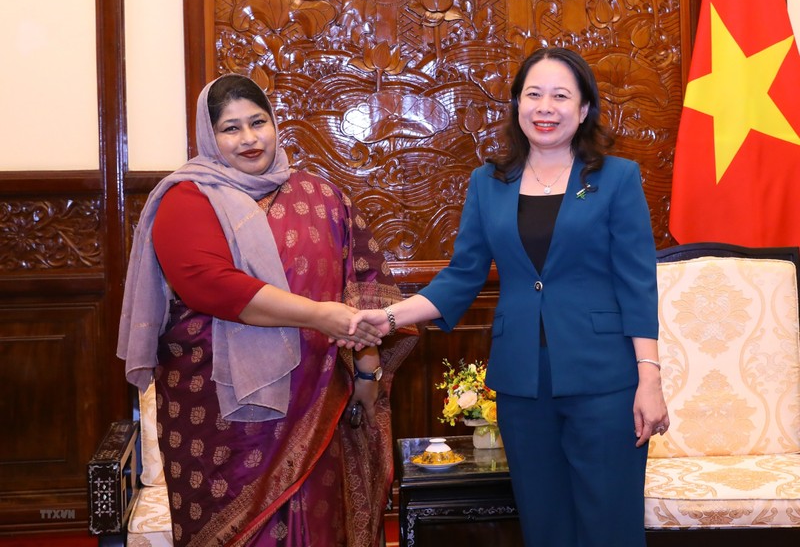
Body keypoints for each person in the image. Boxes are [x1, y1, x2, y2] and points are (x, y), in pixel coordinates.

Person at [351, 47, 669, 547]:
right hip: (523, 383)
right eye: (533, 94)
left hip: (606, 381)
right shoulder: (489, 182)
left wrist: (649, 378)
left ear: (583, 109)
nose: (546, 107)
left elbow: (637, 282)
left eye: (561, 95)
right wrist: (386, 317)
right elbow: (461, 277)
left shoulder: (615, 178)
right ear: (518, 105)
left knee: (610, 528)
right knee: (544, 528)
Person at [117, 73, 417, 546]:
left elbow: (363, 287)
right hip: (221, 420)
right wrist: (318, 315)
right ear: (208, 136)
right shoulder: (186, 199)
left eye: (259, 122)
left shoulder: (322, 197)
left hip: (321, 400)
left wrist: (366, 373)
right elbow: (212, 287)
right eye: (231, 128)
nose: (250, 138)